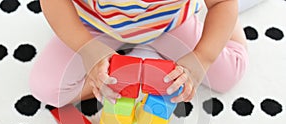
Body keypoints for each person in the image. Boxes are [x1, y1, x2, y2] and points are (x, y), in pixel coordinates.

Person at [29, 0, 248, 107]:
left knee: (227, 74)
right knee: (48, 89)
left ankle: (233, 27)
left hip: (169, 25)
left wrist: (202, 56)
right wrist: (86, 48)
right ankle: (123, 70)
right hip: (95, 24)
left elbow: (222, 3)